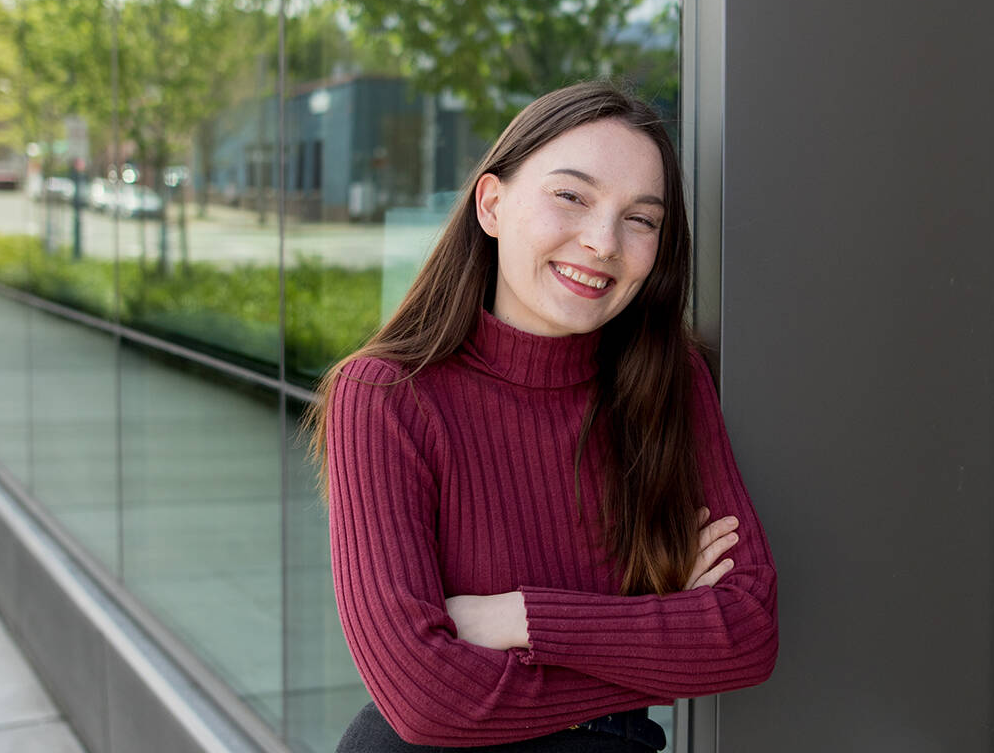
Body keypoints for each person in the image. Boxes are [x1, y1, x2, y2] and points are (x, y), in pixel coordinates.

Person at [305, 81, 778, 752]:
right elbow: (423, 698)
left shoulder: (671, 381)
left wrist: (518, 618)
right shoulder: (385, 395)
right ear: (492, 205)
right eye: (572, 197)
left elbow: (748, 633)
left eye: (641, 219)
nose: (603, 241)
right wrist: (653, 638)